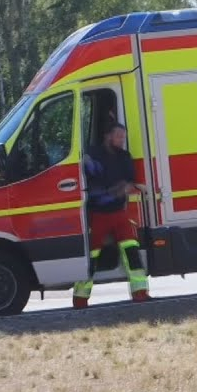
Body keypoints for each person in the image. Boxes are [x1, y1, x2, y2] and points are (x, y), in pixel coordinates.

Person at [72, 124, 152, 308]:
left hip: (118, 213)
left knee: (132, 251)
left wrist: (122, 188)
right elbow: (88, 172)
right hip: (98, 214)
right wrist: (110, 191)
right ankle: (80, 299)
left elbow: (129, 180)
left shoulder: (124, 157)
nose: (122, 140)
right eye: (118, 136)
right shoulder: (93, 154)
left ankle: (140, 293)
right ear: (107, 136)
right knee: (91, 256)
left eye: (123, 137)